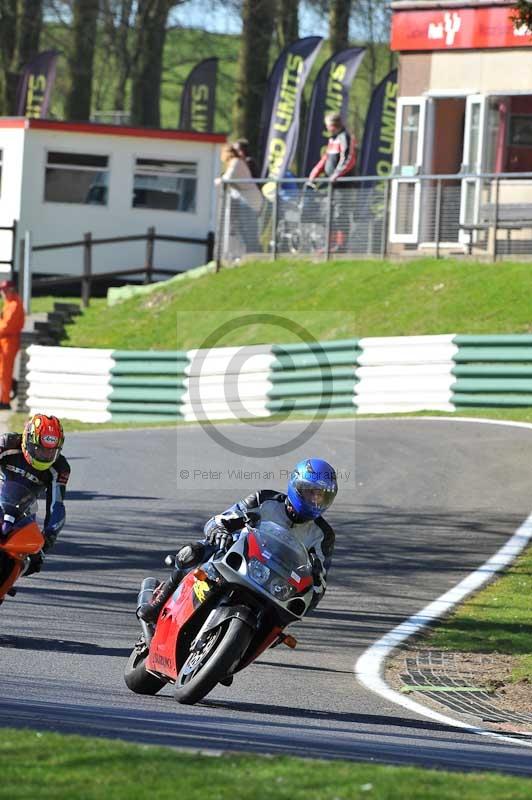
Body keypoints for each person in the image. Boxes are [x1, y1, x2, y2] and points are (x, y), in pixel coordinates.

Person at [139, 458, 338, 623]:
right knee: (191, 553)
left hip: (275, 583)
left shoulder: (323, 535)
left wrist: (311, 591)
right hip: (239, 555)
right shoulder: (264, 499)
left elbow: (319, 582)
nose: (315, 500)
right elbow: (220, 519)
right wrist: (219, 531)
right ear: (296, 487)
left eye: (321, 496)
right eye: (310, 492)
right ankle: (158, 602)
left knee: (280, 623)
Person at [0, 414, 70, 576]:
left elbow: (56, 505)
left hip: (25, 513)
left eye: (50, 452)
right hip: (1, 498)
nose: (44, 456)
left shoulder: (60, 468)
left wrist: (47, 540)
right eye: (39, 449)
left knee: (29, 561)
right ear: (28, 440)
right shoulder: (6, 444)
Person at [307, 112, 357, 253]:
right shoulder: (332, 140)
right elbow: (326, 159)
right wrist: (315, 173)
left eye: (328, 125)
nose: (327, 128)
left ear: (334, 125)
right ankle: (330, 244)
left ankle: (341, 245)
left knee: (341, 213)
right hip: (332, 186)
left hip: (343, 185)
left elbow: (349, 159)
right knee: (329, 213)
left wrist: (336, 175)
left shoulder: (345, 137)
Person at [215, 143, 263, 253]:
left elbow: (227, 178)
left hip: (250, 201)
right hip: (247, 201)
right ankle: (252, 254)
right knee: (244, 230)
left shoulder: (236, 162)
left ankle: (257, 255)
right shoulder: (236, 162)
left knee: (250, 231)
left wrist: (218, 180)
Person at [0, 280, 25, 410]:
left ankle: (5, 401)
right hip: (4, 339)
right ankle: (10, 388)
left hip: (9, 340)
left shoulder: (14, 304)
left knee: (5, 371)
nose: (2, 293)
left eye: (5, 290)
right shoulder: (9, 303)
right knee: (2, 371)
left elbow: (7, 326)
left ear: (11, 290)